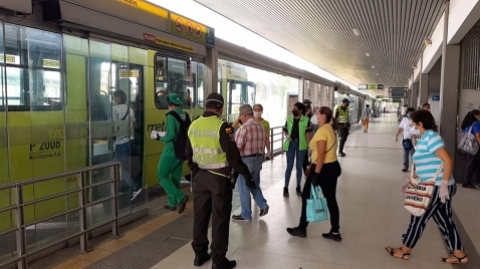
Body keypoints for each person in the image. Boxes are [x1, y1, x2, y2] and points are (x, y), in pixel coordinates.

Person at [386, 110, 468, 264]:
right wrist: (411, 179)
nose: (410, 127)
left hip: (437, 187)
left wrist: (443, 184)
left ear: (420, 124)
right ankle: (459, 253)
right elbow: (428, 163)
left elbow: (448, 160)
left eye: (412, 124)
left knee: (418, 218)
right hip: (434, 185)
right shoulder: (423, 139)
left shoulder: (431, 137)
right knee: (445, 220)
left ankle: (405, 250)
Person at [186, 92, 254, 269]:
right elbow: (233, 157)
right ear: (221, 107)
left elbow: (187, 153)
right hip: (219, 179)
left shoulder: (193, 125)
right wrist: (247, 175)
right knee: (220, 219)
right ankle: (218, 260)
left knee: (200, 217)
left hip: (200, 178)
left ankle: (199, 255)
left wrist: (197, 170)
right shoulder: (223, 127)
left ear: (206, 106)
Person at [286, 106, 342, 241]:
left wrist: (316, 173)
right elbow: (320, 154)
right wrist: (311, 167)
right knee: (331, 199)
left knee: (306, 197)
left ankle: (301, 228)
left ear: (324, 116)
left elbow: (321, 154)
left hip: (322, 169)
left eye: (318, 114)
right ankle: (335, 232)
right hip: (332, 167)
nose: (316, 115)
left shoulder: (323, 131)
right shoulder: (330, 128)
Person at [153, 93, 190, 213]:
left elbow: (171, 135)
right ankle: (171, 203)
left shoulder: (171, 116)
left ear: (170, 103)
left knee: (161, 175)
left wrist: (159, 138)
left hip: (171, 150)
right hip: (182, 150)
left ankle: (180, 197)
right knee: (175, 176)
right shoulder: (185, 114)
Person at [232, 104, 269, 222]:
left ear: (243, 115)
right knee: (253, 184)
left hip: (246, 160)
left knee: (243, 187)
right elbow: (264, 144)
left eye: (239, 116)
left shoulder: (244, 128)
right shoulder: (261, 126)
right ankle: (263, 205)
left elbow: (237, 148)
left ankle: (246, 214)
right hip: (258, 159)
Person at [112, 90, 141, 201]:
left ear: (118, 98)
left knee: (116, 165)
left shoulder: (114, 109)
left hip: (121, 142)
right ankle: (123, 186)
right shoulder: (130, 109)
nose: (114, 100)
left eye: (114, 98)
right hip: (130, 141)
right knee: (120, 165)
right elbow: (135, 125)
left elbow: (113, 126)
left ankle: (133, 186)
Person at [283, 102, 313, 197]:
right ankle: (286, 187)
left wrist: (310, 147)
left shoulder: (306, 120)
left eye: (295, 109)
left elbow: (308, 135)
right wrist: (287, 135)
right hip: (290, 144)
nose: (293, 110)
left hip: (302, 145)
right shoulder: (289, 119)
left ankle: (298, 187)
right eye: (293, 108)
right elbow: (285, 129)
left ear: (300, 110)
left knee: (299, 166)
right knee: (289, 166)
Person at [460, 109, 480, 188]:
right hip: (475, 147)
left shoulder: (466, 124)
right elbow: (478, 135)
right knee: (472, 165)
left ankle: (468, 181)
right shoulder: (476, 124)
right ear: (475, 115)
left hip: (468, 147)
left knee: (471, 164)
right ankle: (466, 182)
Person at [395, 107, 416, 172]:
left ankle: (414, 166)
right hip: (405, 139)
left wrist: (415, 138)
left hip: (413, 139)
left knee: (413, 154)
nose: (410, 114)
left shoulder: (416, 120)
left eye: (412, 113)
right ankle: (405, 166)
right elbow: (400, 128)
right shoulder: (404, 119)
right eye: (409, 113)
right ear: (407, 113)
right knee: (405, 153)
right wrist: (396, 135)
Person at [302, 99, 315, 174]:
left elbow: (315, 126)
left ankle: (311, 169)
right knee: (304, 157)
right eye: (306, 106)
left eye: (309, 106)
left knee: (313, 155)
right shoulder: (302, 116)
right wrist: (306, 115)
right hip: (304, 140)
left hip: (313, 139)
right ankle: (305, 170)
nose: (308, 108)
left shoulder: (313, 116)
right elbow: (302, 127)